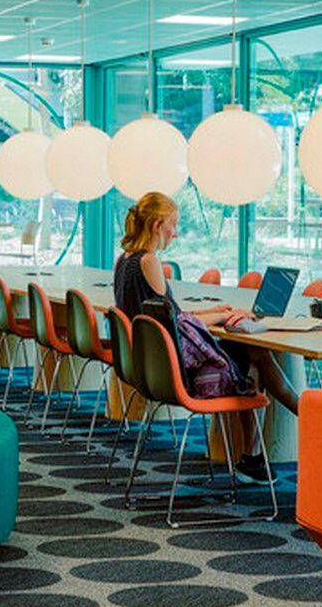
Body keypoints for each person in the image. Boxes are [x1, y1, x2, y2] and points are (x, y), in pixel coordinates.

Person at [114, 191, 300, 481]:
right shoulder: (149, 261)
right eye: (172, 225)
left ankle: (257, 454)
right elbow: (176, 321)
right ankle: (301, 420)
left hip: (155, 367)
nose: (175, 234)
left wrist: (215, 312)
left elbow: (168, 317)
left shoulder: (123, 260)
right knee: (255, 357)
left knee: (249, 354)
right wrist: (224, 317)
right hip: (181, 372)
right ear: (156, 226)